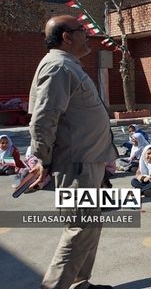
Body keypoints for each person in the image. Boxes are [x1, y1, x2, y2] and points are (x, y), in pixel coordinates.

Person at [28, 15, 117, 289]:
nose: (87, 34)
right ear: (67, 36)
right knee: (79, 229)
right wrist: (42, 159)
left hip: (91, 162)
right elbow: (43, 119)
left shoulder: (69, 66)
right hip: (78, 166)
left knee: (90, 228)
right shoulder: (57, 68)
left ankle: (79, 283)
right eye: (82, 30)